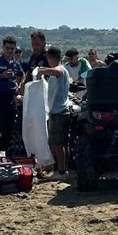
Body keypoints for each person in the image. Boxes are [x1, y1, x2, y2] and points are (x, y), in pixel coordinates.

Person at [36, 46, 72, 176]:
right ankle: (57, 168)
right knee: (57, 143)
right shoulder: (60, 70)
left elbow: (57, 72)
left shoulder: (60, 69)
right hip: (56, 111)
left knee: (59, 144)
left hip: (60, 112)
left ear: (50, 58)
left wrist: (42, 70)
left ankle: (61, 171)